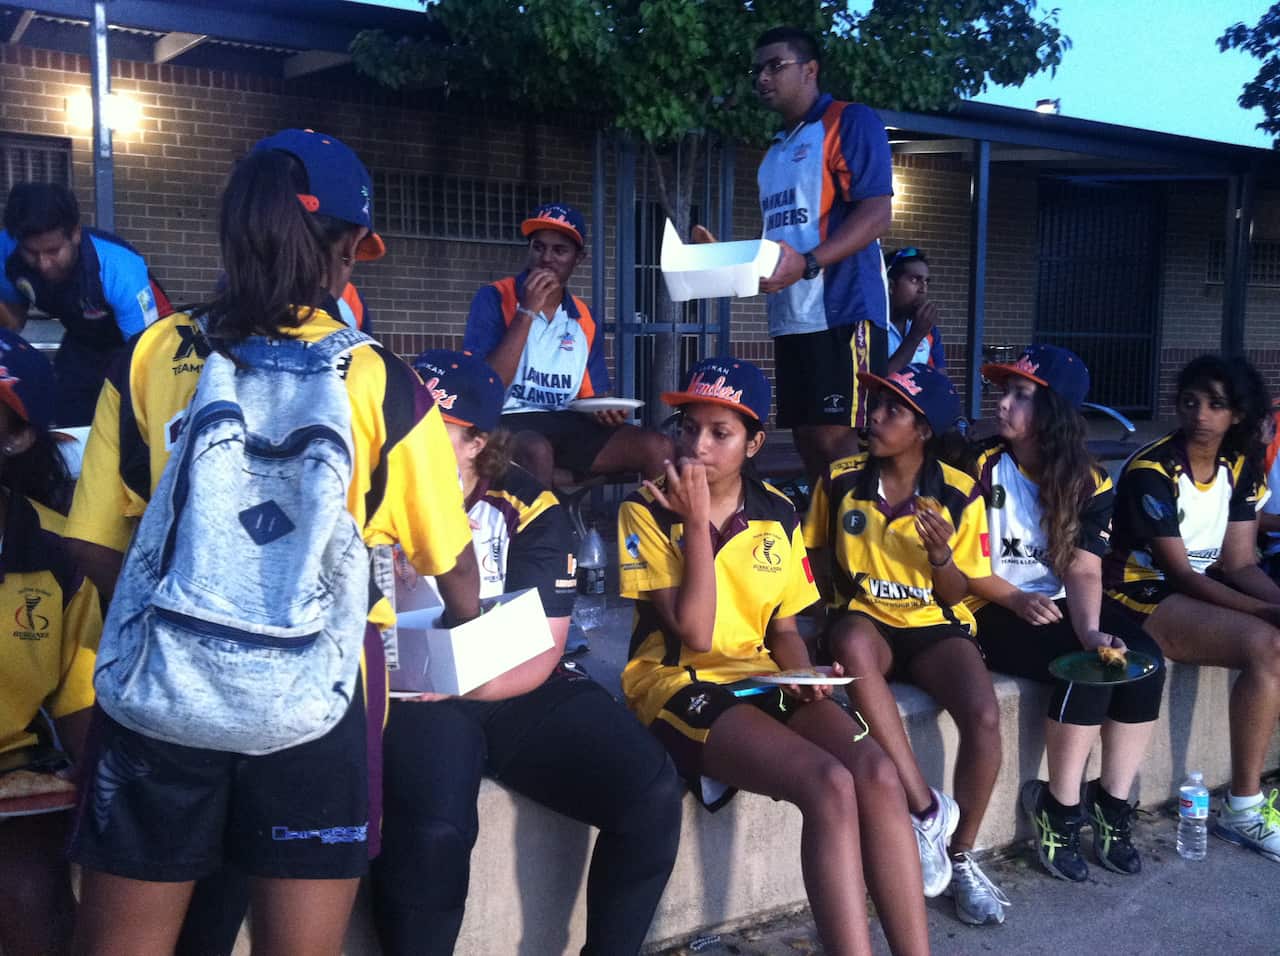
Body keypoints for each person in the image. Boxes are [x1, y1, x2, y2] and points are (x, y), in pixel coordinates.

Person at [62, 128, 480, 955]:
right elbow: (452, 568)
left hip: (163, 698)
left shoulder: (150, 355)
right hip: (314, 709)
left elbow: (93, 544)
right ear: (342, 251)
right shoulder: (379, 382)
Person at [372, 349, 682, 955]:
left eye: (428, 427)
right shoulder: (369, 487)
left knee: (649, 790)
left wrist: (461, 681)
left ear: (476, 443)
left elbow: (541, 650)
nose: (402, 440)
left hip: (508, 679)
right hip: (404, 681)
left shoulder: (529, 507)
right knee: (434, 831)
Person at [619, 357, 928, 956]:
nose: (698, 446)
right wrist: (696, 523)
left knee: (878, 773)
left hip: (760, 673)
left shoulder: (776, 512)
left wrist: (802, 671)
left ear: (755, 442)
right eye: (689, 428)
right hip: (678, 679)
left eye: (721, 433)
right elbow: (697, 632)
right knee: (828, 783)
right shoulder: (649, 509)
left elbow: (784, 627)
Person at [804, 364, 1006, 923]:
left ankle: (960, 855)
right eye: (876, 404)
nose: (875, 416)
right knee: (849, 639)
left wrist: (941, 555)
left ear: (923, 429)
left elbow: (960, 587)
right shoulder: (842, 477)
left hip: (935, 625)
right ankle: (924, 811)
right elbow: (817, 557)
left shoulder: (960, 492)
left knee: (985, 716)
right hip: (866, 620)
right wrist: (806, 622)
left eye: (893, 409)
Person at [966, 345, 1166, 885]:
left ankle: (1113, 804)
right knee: (1086, 667)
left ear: (1055, 411)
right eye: (1002, 392)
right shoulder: (975, 463)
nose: (1002, 404)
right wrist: (1012, 598)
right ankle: (1059, 807)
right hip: (987, 603)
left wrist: (1093, 628)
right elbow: (956, 566)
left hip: (1052, 600)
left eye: (1020, 395)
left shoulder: (1090, 481)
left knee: (1142, 661)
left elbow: (1082, 571)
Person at [1104, 354, 1280, 864]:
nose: (1200, 413)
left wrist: (1274, 602)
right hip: (1135, 592)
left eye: (1216, 404)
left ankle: (1250, 803)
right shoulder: (1152, 469)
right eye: (1191, 402)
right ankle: (1244, 809)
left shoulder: (1242, 466)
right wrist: (1268, 615)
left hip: (1197, 588)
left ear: (1238, 414)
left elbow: (1242, 563)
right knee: (1266, 642)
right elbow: (1180, 574)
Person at [751, 26, 893, 482]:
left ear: (810, 70)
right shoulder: (775, 152)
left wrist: (808, 263)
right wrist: (729, 260)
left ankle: (858, 547)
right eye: (757, 70)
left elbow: (877, 213)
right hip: (792, 315)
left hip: (842, 309)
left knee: (839, 442)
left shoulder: (850, 121)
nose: (763, 78)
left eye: (776, 66)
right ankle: (825, 548)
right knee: (807, 440)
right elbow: (782, 238)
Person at [0, 330, 102, 956]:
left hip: (14, 774)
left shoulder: (58, 554)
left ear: (14, 435)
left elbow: (78, 704)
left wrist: (105, 807)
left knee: (30, 899)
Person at [463, 202, 671, 487]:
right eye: (538, 247)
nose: (546, 258)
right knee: (537, 451)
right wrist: (526, 311)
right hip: (505, 420)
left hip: (565, 422)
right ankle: (546, 530)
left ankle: (656, 530)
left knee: (656, 447)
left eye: (559, 250)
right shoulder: (493, 298)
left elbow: (589, 397)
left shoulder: (584, 317)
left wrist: (605, 410)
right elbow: (487, 386)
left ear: (579, 258)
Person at [0, 182, 172, 426]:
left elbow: (148, 360)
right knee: (65, 405)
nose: (43, 264)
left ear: (76, 234)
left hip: (150, 337)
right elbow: (12, 324)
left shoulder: (119, 270)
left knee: (131, 413)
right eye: (31, 252)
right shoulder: (6, 251)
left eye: (53, 250)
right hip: (83, 336)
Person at [884, 248, 945, 375]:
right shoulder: (871, 328)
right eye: (914, 280)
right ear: (890, 286)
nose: (923, 289)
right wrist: (914, 337)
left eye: (926, 282)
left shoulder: (929, 330)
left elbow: (939, 383)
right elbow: (876, 385)